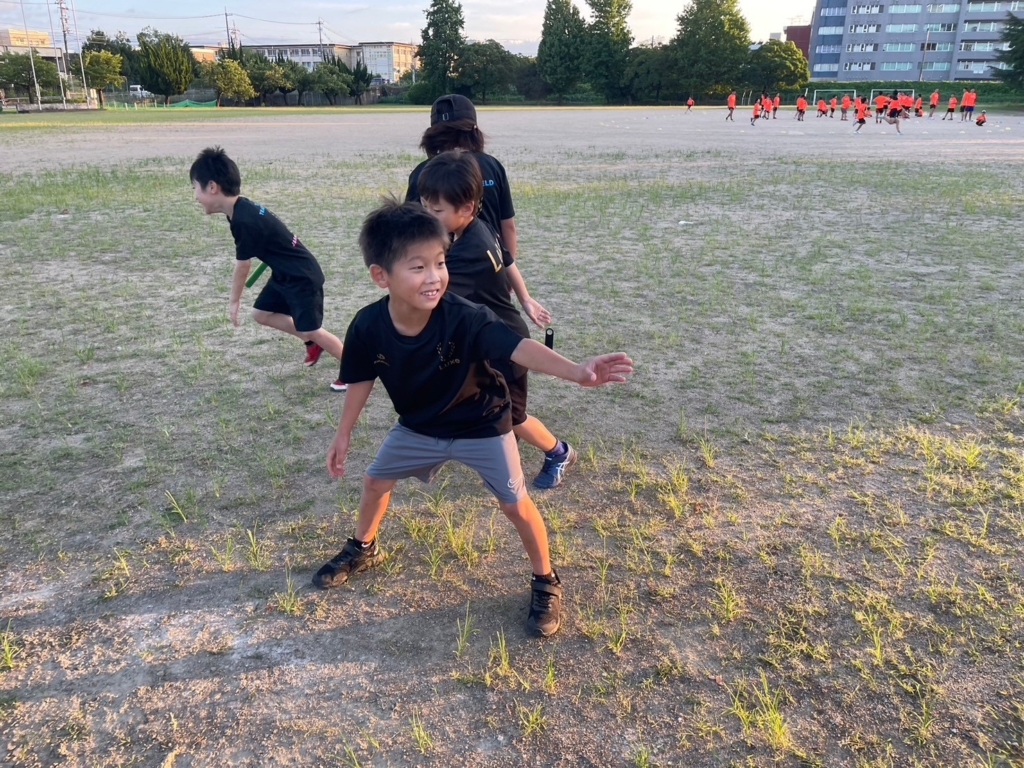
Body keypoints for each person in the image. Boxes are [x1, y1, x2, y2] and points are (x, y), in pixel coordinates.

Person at [313, 199, 633, 639]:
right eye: (418, 267)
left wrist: (577, 371)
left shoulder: (464, 316)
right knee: (374, 481)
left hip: (481, 424)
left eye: (440, 263)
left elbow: (517, 348)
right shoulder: (368, 325)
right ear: (380, 275)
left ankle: (545, 579)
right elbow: (361, 376)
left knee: (515, 504)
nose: (434, 277)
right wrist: (343, 433)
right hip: (418, 427)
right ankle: (363, 547)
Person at [417, 150, 576, 489]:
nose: (428, 215)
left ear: (467, 209)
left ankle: (558, 451)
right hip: (484, 341)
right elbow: (507, 262)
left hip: (506, 348)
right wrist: (526, 298)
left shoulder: (464, 255)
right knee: (468, 401)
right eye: (424, 206)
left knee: (513, 417)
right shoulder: (478, 227)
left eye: (436, 210)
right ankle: (444, 451)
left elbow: (427, 298)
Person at [189, 147, 347, 391]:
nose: (195, 196)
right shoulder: (239, 210)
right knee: (261, 315)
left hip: (302, 277)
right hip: (285, 274)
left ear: (212, 187)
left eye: (195, 188)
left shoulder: (244, 219)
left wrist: (233, 302)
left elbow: (243, 265)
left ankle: (353, 371)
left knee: (314, 329)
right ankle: (309, 341)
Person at [406, 95, 518, 262]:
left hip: (444, 273)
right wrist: (506, 273)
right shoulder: (493, 166)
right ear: (474, 130)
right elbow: (508, 227)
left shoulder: (423, 172)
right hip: (491, 268)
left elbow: (409, 232)